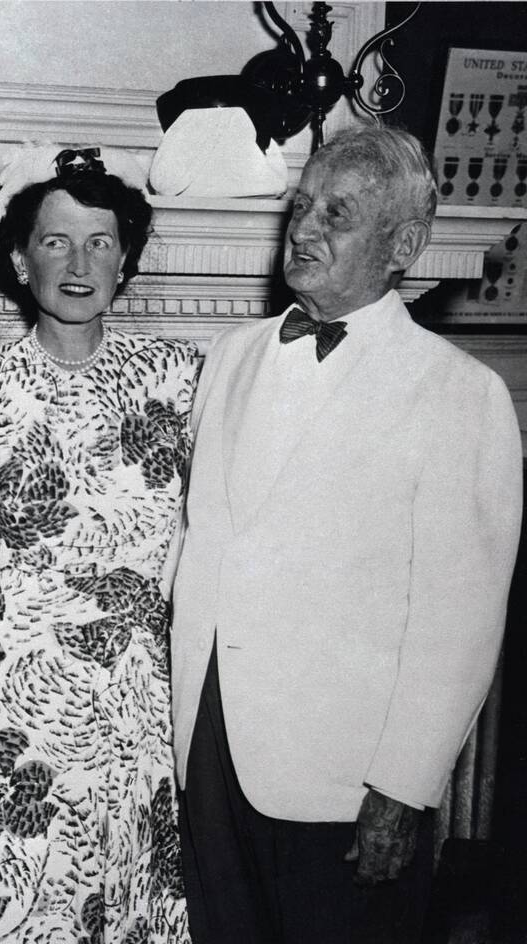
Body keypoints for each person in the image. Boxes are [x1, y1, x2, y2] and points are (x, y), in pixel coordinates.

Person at [171, 125, 522, 943]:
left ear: (403, 245)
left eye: (338, 212)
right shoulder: (230, 355)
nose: (304, 228)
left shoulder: (459, 395)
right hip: (211, 751)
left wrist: (403, 788)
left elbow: (461, 621)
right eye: (301, 206)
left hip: (347, 785)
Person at [0, 145, 196, 943]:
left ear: (126, 259)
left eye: (101, 242)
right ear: (18, 259)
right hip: (12, 696)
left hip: (131, 696)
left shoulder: (180, 379)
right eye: (55, 242)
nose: (80, 264)